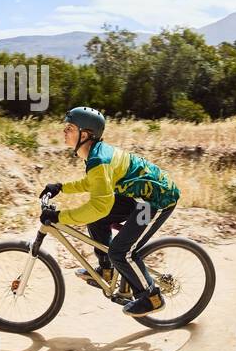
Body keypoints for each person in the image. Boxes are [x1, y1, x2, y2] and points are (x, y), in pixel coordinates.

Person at [39, 107, 181, 317]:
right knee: (98, 222)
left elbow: (99, 206)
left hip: (156, 200)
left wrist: (60, 217)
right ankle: (106, 269)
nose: (64, 132)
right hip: (137, 197)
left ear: (84, 135)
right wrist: (61, 187)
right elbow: (94, 184)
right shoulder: (95, 155)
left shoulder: (98, 159)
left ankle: (151, 297)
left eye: (69, 128)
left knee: (121, 251)